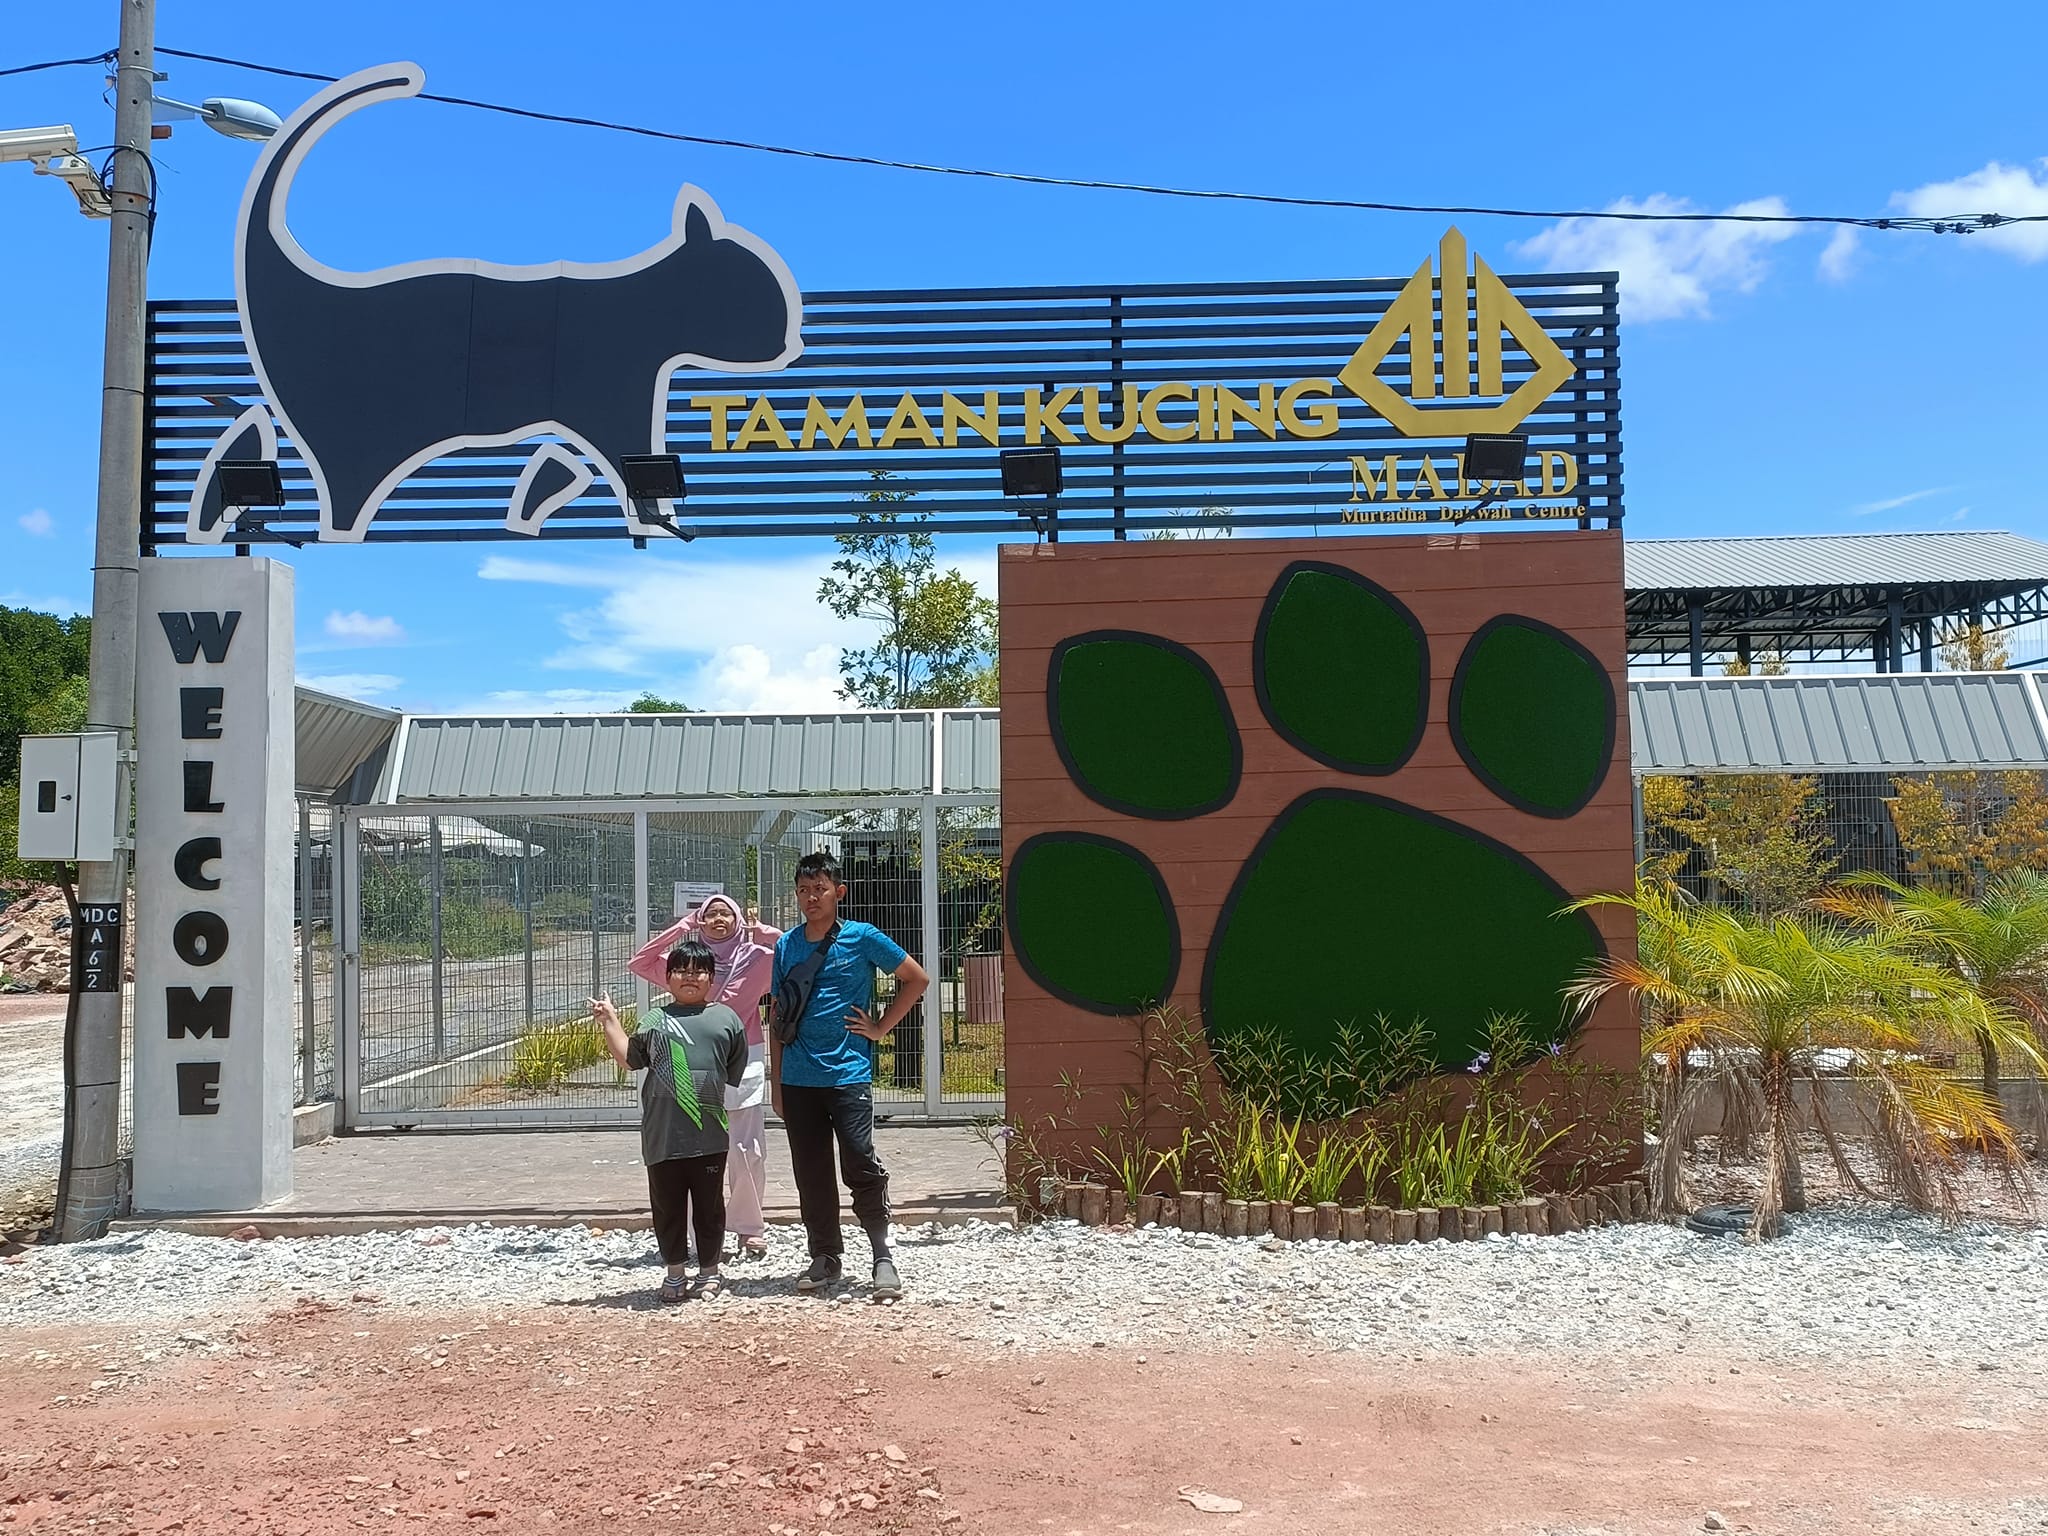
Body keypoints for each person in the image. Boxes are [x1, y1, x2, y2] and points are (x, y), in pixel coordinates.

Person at [770, 851, 929, 1300]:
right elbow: (779, 1015)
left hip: (848, 1073)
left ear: (839, 892)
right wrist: (776, 1082)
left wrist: (880, 1029)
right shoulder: (786, 945)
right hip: (799, 1079)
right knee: (811, 1171)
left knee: (859, 1161)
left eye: (819, 888)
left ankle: (882, 1254)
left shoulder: (862, 938)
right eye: (803, 890)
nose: (810, 898)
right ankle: (824, 1255)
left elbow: (916, 979)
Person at [592, 938, 748, 1304]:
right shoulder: (654, 1020)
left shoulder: (727, 1019)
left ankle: (710, 1272)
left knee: (710, 1208)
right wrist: (610, 1020)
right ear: (667, 977)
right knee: (668, 1207)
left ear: (712, 977)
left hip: (709, 1136)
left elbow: (731, 1070)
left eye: (699, 971)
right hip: (662, 1136)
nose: (690, 977)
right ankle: (674, 1272)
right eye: (681, 970)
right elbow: (630, 1058)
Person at [628, 894, 780, 1259]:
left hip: (745, 1056)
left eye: (726, 913)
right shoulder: (692, 965)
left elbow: (795, 953)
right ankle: (703, 1235)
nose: (717, 919)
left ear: (739, 918)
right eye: (709, 914)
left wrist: (763, 932)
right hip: (694, 1059)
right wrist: (682, 927)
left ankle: (748, 1227)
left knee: (746, 1149)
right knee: (696, 1151)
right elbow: (641, 962)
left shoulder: (758, 959)